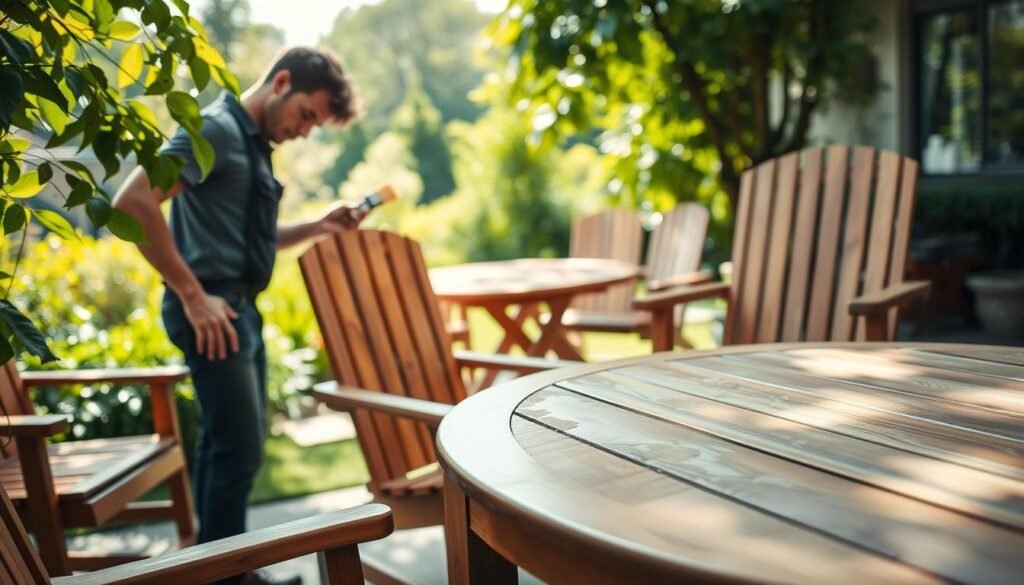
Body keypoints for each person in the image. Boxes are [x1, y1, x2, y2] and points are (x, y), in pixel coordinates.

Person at [114, 47, 364, 585]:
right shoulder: (217, 130)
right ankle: (228, 579)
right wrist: (192, 294)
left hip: (238, 309)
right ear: (281, 82)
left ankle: (216, 571)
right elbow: (133, 201)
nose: (305, 131)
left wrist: (318, 226)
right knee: (241, 452)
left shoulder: (251, 146)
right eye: (306, 115)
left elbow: (251, 236)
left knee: (224, 448)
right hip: (211, 310)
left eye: (315, 124)